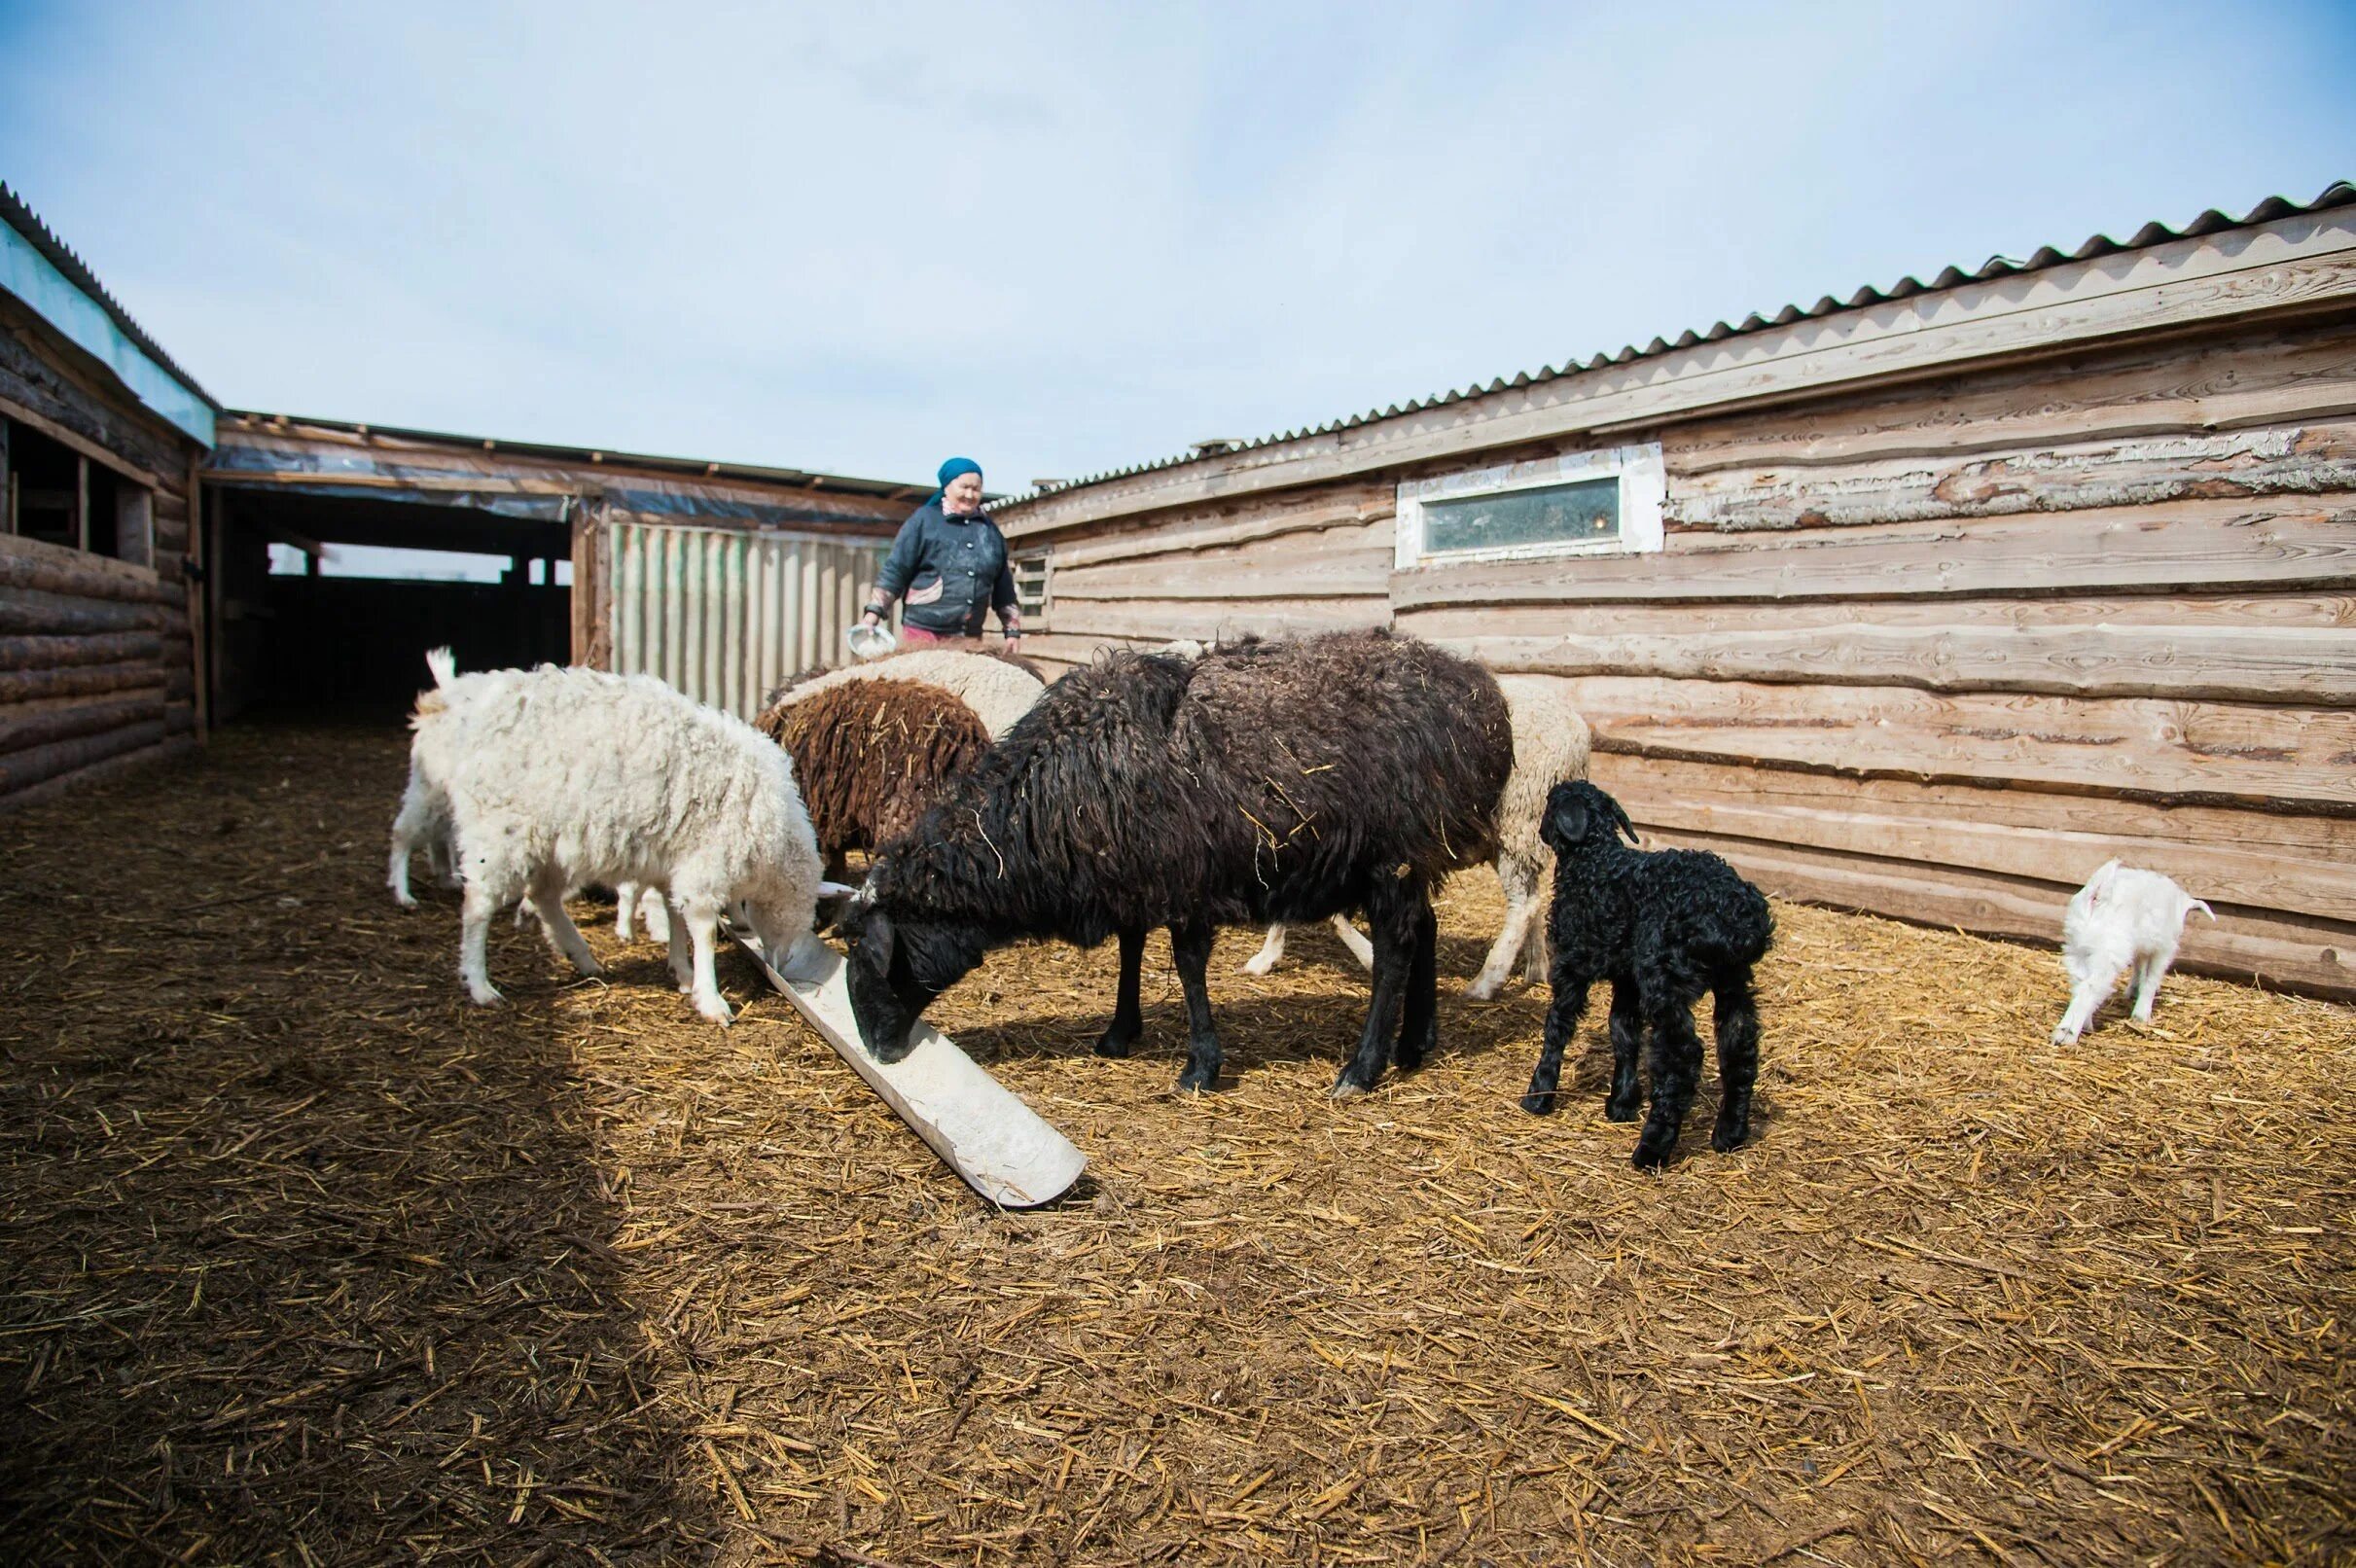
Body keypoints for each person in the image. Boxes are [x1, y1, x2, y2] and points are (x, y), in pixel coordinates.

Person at [860, 457, 1021, 649]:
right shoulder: (924, 521)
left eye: (976, 489)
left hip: (968, 637)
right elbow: (896, 570)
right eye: (964, 487)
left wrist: (1012, 631)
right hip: (924, 633)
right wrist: (873, 613)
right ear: (947, 487)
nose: (970, 494)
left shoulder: (990, 532)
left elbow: (1004, 589)